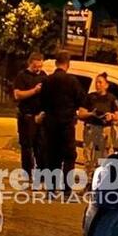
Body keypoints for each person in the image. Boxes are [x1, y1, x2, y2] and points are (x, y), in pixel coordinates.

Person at [39, 51, 85, 194]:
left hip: (50, 124)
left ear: (56, 63)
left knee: (52, 156)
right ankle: (67, 189)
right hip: (66, 124)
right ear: (68, 64)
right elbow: (81, 100)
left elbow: (42, 101)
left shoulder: (47, 81)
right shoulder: (72, 81)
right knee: (69, 156)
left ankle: (51, 189)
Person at [78, 72, 118, 177]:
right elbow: (81, 114)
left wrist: (111, 116)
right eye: (96, 83)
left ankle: (101, 180)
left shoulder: (112, 98)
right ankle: (88, 181)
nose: (98, 85)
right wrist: (91, 113)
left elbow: (117, 116)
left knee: (103, 157)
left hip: (105, 130)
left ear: (106, 85)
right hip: (91, 128)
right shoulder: (90, 97)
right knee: (89, 156)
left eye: (100, 83)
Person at [13, 53, 47, 180]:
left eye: (40, 66)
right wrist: (34, 91)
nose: (38, 69)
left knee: (41, 146)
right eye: (35, 66)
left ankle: (42, 173)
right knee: (27, 146)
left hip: (40, 116)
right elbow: (17, 95)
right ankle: (27, 173)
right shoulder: (22, 76)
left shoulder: (43, 76)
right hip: (26, 116)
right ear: (30, 63)